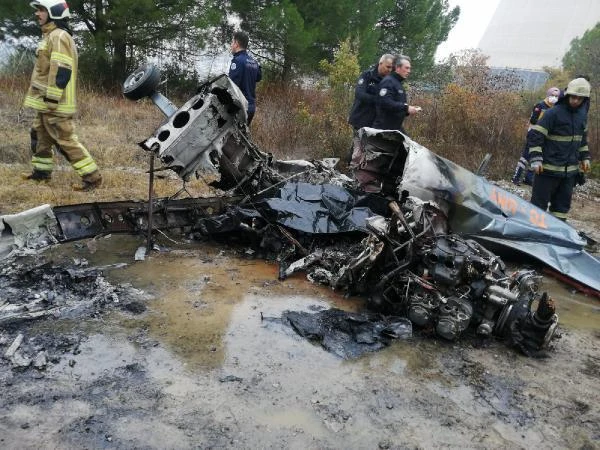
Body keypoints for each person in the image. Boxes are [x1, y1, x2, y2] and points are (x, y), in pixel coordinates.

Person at [22, 0, 102, 191]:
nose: (37, 14)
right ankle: (41, 174)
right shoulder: (51, 36)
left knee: (65, 140)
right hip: (46, 102)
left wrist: (52, 98)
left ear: (54, 12)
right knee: (39, 136)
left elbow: (61, 70)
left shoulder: (59, 36)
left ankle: (92, 178)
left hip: (54, 103)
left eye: (41, 10)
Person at [527, 78, 592, 221]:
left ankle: (555, 237)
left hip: (569, 174)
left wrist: (585, 157)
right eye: (573, 97)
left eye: (579, 98)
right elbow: (535, 136)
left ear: (584, 99)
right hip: (547, 170)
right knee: (538, 208)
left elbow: (582, 140)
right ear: (567, 95)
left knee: (561, 210)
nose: (575, 101)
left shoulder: (582, 117)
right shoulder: (553, 113)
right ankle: (532, 236)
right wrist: (536, 159)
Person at [346, 54, 395, 166]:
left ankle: (361, 172)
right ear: (380, 63)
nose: (389, 70)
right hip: (361, 118)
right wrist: (377, 100)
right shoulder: (367, 75)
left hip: (377, 123)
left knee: (370, 151)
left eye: (391, 68)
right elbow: (359, 94)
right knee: (358, 149)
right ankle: (349, 170)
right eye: (387, 67)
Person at [511, 86, 560, 185]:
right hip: (533, 134)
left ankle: (529, 179)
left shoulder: (555, 108)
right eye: (552, 95)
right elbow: (533, 119)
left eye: (556, 96)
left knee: (536, 157)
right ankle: (516, 177)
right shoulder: (540, 105)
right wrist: (545, 122)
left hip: (543, 136)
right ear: (548, 95)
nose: (554, 98)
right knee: (526, 157)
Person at [372, 55, 421, 134]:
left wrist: (409, 110)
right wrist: (406, 107)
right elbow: (385, 102)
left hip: (395, 128)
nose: (409, 71)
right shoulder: (388, 81)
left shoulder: (397, 83)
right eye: (406, 68)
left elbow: (395, 107)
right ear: (398, 68)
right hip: (384, 129)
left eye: (410, 68)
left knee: (408, 144)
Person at [229, 31, 262, 125]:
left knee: (234, 138)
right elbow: (259, 77)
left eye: (232, 42)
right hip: (251, 108)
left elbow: (232, 86)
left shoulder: (237, 61)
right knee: (243, 136)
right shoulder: (254, 62)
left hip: (241, 108)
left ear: (236, 44)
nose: (231, 45)